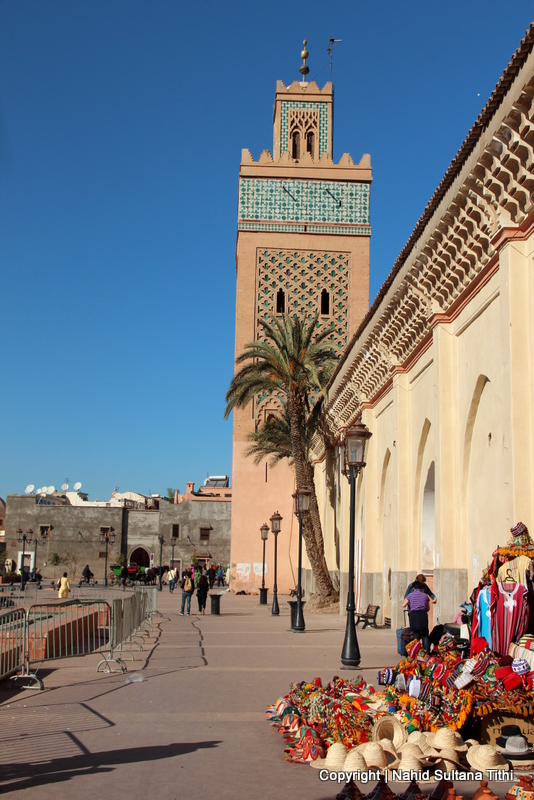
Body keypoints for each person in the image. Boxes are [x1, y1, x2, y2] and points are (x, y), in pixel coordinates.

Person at [403, 580, 430, 651]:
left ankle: (417, 652)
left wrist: (411, 604)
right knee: (425, 634)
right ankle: (427, 651)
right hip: (423, 615)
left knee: (416, 634)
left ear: (414, 588)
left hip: (414, 616)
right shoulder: (425, 596)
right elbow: (428, 608)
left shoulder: (410, 595)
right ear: (421, 588)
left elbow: (403, 605)